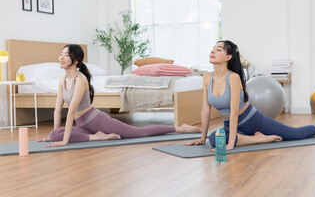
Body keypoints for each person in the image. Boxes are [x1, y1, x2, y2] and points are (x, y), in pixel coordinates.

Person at [186, 40, 315, 151]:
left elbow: (234, 112)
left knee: (295, 134)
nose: (212, 51)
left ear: (228, 57)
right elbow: (205, 110)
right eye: (213, 48)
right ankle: (259, 139)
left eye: (218, 49)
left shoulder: (233, 78)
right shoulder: (207, 77)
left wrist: (230, 143)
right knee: (214, 139)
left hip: (251, 119)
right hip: (230, 124)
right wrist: (202, 138)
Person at [38, 44, 201, 147]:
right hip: (83, 125)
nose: (61, 57)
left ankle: (180, 128)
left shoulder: (80, 80)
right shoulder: (62, 79)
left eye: (66, 55)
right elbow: (58, 110)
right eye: (61, 54)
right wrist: (54, 136)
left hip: (95, 120)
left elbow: (71, 111)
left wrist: (65, 140)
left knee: (139, 133)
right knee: (53, 134)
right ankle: (97, 137)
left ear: (76, 60)